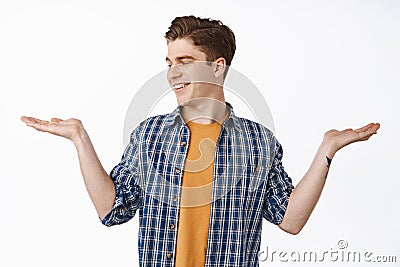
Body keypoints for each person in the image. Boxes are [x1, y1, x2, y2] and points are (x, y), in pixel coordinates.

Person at [21, 15, 380, 267]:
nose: (172, 72)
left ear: (217, 66)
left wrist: (326, 151)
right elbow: (113, 210)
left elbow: (290, 220)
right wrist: (80, 139)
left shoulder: (258, 142)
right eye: (169, 62)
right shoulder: (149, 134)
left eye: (185, 61)